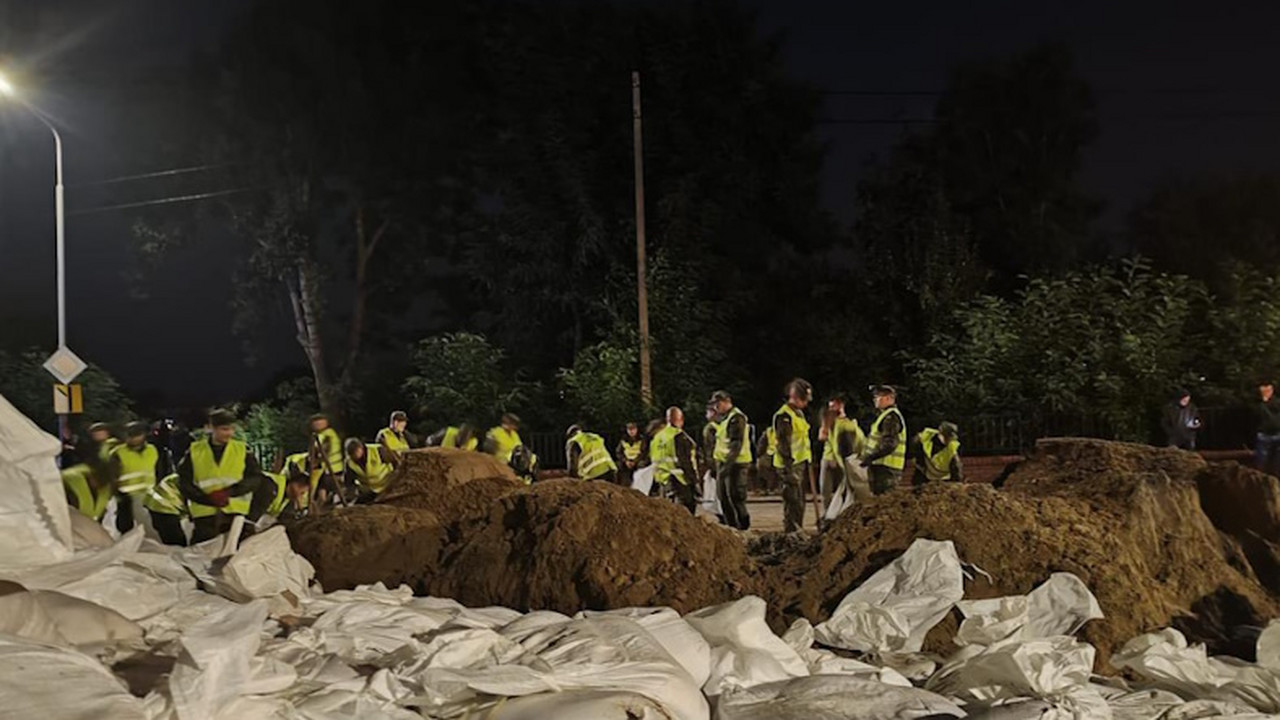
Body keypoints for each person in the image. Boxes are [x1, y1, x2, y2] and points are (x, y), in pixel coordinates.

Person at [176, 408, 265, 544]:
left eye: (231, 429)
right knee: (202, 558)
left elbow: (255, 478)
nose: (229, 433)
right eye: (224, 429)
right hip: (205, 517)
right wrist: (207, 499)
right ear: (212, 428)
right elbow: (184, 482)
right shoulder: (195, 451)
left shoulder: (242, 450)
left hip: (235, 514)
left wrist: (229, 492)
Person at [109, 421, 172, 534]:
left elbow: (160, 469)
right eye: (130, 435)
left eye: (136, 435)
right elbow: (111, 474)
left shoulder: (152, 450)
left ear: (143, 435)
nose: (133, 439)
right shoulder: (118, 452)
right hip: (126, 495)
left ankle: (152, 546)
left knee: (149, 524)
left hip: (149, 494)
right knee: (126, 525)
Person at [773, 378, 814, 533]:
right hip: (788, 465)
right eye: (804, 399)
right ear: (796, 397)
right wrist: (789, 469)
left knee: (800, 501)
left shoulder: (798, 414)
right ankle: (791, 534)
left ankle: (798, 531)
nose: (806, 403)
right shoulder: (784, 416)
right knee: (793, 502)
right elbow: (784, 444)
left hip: (800, 463)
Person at [818, 395, 866, 520]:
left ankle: (839, 516)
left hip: (843, 462)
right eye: (830, 406)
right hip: (829, 458)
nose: (831, 409)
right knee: (825, 491)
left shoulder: (848, 424)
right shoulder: (829, 422)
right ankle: (829, 516)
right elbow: (824, 438)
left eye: (833, 406)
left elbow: (855, 443)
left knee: (843, 491)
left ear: (840, 405)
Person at [711, 390, 752, 530]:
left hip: (737, 464)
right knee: (723, 497)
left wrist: (726, 467)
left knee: (736, 498)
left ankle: (743, 527)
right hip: (725, 463)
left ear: (726, 402)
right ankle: (731, 528)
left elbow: (736, 444)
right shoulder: (725, 419)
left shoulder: (737, 418)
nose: (715, 407)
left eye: (717, 404)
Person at [651, 406, 700, 514]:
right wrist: (694, 481)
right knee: (685, 515)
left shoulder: (657, 437)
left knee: (668, 514)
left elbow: (653, 459)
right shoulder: (679, 436)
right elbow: (686, 461)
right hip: (680, 481)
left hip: (663, 482)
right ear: (680, 420)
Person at [860, 385, 906, 495]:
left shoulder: (891, 418)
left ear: (889, 398)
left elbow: (889, 444)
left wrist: (870, 457)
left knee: (885, 504)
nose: (875, 399)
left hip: (887, 470)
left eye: (878, 396)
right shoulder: (885, 416)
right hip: (882, 468)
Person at [143, 473, 188, 546]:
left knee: (173, 544)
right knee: (176, 544)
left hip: (157, 505)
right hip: (164, 507)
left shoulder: (184, 474)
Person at [308, 414, 345, 483]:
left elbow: (323, 450)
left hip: (330, 469)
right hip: (335, 468)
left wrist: (315, 462)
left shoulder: (326, 435)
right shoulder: (330, 433)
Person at [1256, 381, 1280, 476]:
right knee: (1262, 461)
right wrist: (1264, 401)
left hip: (1277, 434)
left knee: (1277, 462)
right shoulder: (1258, 403)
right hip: (1264, 435)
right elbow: (1259, 414)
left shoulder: (1277, 402)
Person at [615, 422, 648, 487]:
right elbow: (618, 452)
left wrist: (635, 461)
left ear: (636, 430)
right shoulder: (623, 440)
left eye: (633, 429)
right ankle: (619, 485)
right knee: (617, 467)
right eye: (629, 430)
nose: (631, 431)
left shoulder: (642, 440)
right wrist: (625, 461)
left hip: (638, 461)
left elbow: (644, 453)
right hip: (626, 461)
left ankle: (640, 486)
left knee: (642, 466)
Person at [755, 425, 778, 494]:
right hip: (769, 452)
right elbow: (762, 443)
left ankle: (775, 488)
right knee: (762, 466)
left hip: (781, 453)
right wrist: (759, 454)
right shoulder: (769, 431)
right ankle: (763, 488)